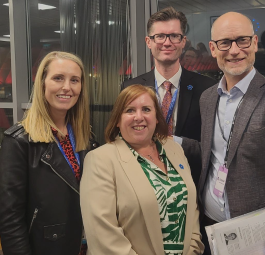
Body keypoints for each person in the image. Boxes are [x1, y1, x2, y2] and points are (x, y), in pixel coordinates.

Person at [180, 12, 265, 255]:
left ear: (255, 43)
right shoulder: (208, 98)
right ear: (213, 48)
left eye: (243, 41)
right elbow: (213, 153)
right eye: (225, 43)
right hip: (211, 229)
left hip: (256, 239)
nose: (234, 50)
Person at [80, 84, 204, 255]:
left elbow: (192, 207)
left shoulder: (174, 150)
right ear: (117, 119)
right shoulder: (100, 160)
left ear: (157, 117)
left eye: (146, 109)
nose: (139, 117)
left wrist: (193, 249)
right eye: (130, 110)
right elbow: (102, 234)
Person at [0, 51, 97, 255]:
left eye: (75, 80)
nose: (67, 87)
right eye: (58, 78)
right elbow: (10, 219)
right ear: (42, 83)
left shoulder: (86, 138)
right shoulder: (19, 142)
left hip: (87, 246)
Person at [121, 6, 216, 186]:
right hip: (142, 182)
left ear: (183, 41)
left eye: (174, 36)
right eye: (160, 36)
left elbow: (211, 147)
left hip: (190, 184)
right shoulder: (130, 87)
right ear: (148, 42)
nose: (167, 42)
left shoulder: (207, 89)